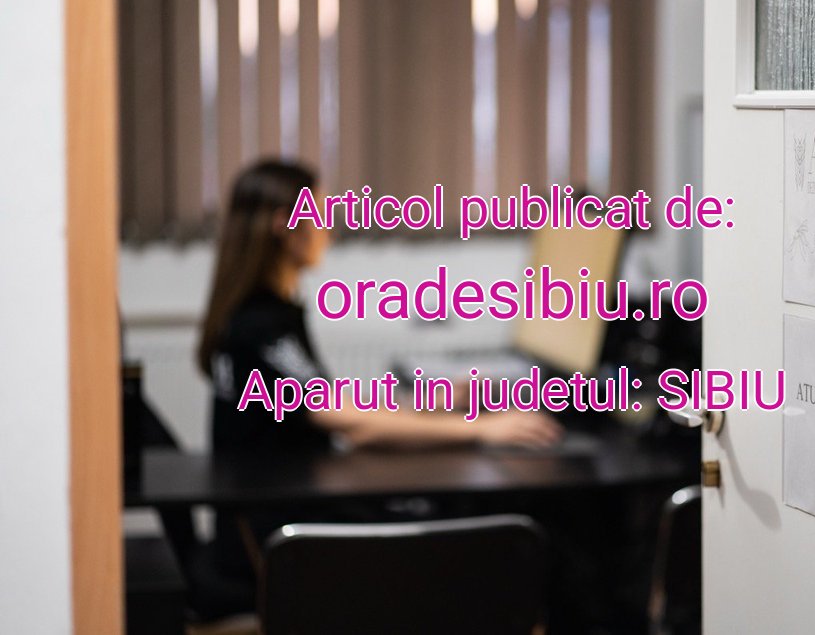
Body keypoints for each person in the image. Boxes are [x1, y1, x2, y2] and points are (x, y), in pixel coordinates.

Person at [192, 160, 562, 617]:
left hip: (285, 510)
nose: (329, 226)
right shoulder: (261, 327)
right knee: (481, 519)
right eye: (320, 211)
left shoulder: (266, 314)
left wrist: (434, 401)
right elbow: (351, 424)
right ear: (285, 225)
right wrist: (480, 429)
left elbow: (332, 404)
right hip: (279, 537)